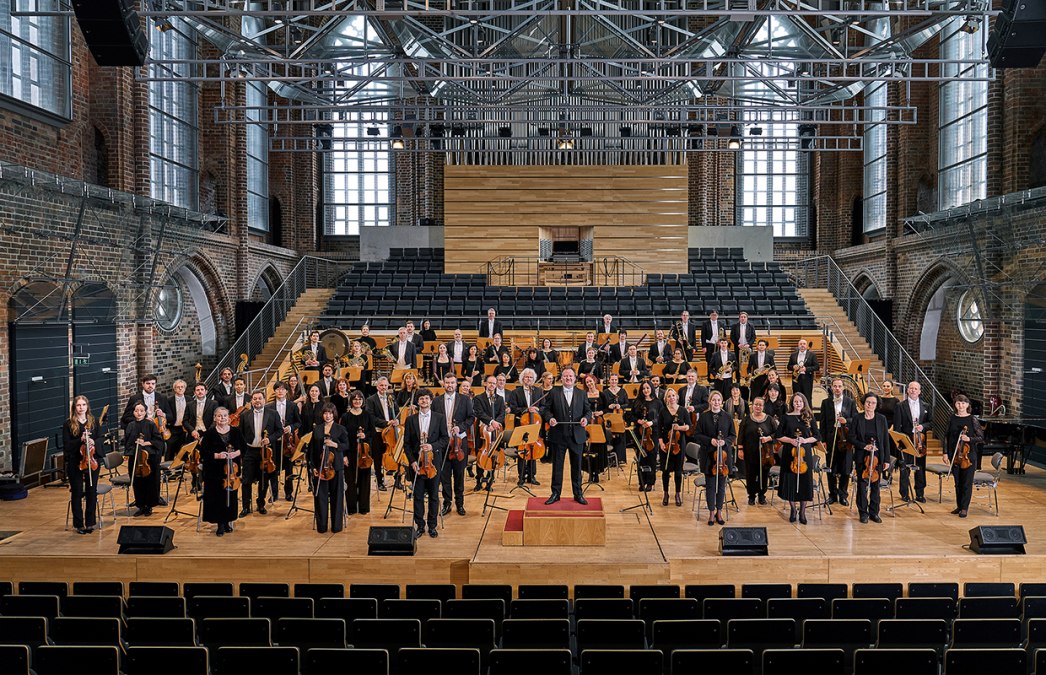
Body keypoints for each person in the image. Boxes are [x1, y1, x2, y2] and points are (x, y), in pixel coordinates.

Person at [542, 367, 592, 505]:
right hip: (558, 436)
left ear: (575, 378)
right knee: (557, 466)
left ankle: (578, 494)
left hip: (577, 436)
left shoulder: (582, 393)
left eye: (570, 376)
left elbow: (588, 411)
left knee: (577, 466)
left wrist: (586, 419)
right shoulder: (553, 392)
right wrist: (550, 419)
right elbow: (546, 410)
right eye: (565, 376)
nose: (568, 378)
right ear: (561, 378)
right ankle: (555, 494)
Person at [404, 391, 449, 538]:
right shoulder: (410, 420)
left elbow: (445, 439)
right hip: (417, 464)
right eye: (421, 398)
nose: (424, 401)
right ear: (418, 402)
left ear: (431, 401)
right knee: (417, 496)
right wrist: (412, 462)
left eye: (426, 398)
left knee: (434, 496)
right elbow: (407, 444)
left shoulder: (440, 418)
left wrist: (432, 446)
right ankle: (420, 526)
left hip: (433, 465)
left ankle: (432, 526)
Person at [775, 393, 820, 525]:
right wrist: (791, 440)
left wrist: (805, 440)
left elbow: (817, 436)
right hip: (790, 452)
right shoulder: (785, 417)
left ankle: (803, 512)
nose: (798, 403)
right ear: (792, 403)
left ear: (804, 402)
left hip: (804, 454)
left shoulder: (809, 417)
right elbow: (778, 435)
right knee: (791, 482)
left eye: (800, 401)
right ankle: (793, 510)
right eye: (795, 401)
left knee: (804, 482)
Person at [434, 374, 475, 516]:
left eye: (452, 382)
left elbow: (471, 418)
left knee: (459, 474)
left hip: (459, 442)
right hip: (444, 442)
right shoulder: (437, 400)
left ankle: (460, 503)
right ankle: (447, 502)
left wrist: (461, 428)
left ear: (456, 384)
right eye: (447, 383)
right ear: (443, 384)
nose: (450, 385)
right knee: (445, 475)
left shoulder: (464, 399)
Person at [200, 407, 243, 536]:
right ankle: (220, 524)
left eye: (224, 416)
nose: (222, 418)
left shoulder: (236, 432)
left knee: (230, 496)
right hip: (214, 471)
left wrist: (236, 453)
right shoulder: (209, 434)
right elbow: (203, 453)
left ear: (229, 417)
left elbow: (243, 447)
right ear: (215, 418)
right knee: (217, 497)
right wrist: (217, 455)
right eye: (219, 416)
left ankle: (228, 521)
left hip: (232, 472)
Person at [238, 391, 282, 516]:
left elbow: (279, 431)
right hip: (250, 451)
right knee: (246, 481)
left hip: (265, 453)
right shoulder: (245, 415)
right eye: (255, 399)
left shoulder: (273, 414)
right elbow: (240, 434)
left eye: (260, 398)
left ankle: (260, 504)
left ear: (264, 400)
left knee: (263, 479)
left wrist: (270, 439)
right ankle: (246, 507)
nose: (257, 401)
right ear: (251, 400)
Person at [695, 391, 736, 525]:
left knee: (721, 486)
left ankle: (719, 511)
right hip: (708, 456)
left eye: (718, 400)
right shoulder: (704, 416)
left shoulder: (727, 417)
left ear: (722, 401)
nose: (716, 402)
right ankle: (711, 513)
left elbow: (733, 435)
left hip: (723, 458)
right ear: (710, 402)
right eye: (714, 400)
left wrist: (725, 442)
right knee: (711, 486)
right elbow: (697, 435)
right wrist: (710, 441)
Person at [849, 392, 890, 524]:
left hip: (877, 457)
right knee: (862, 485)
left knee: (875, 486)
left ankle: (874, 512)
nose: (870, 405)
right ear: (864, 403)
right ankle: (863, 512)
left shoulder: (881, 419)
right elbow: (851, 437)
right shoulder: (857, 418)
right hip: (862, 456)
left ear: (876, 405)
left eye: (873, 403)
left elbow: (885, 441)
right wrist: (864, 446)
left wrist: (887, 460)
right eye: (868, 402)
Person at [63, 395, 102, 534]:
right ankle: (79, 524)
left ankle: (90, 522)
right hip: (76, 462)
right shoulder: (68, 424)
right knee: (77, 493)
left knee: (92, 492)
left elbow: (100, 439)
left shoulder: (94, 421)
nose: (81, 408)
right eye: (78, 405)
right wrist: (80, 440)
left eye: (83, 405)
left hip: (92, 460)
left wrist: (93, 442)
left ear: (87, 406)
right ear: (75, 407)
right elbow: (67, 446)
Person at [309, 403, 348, 534]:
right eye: (325, 413)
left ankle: (337, 526)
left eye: (330, 413)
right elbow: (312, 450)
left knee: (337, 497)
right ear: (322, 414)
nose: (328, 416)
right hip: (320, 468)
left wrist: (334, 444)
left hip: (336, 467)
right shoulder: (317, 429)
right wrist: (313, 467)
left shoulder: (340, 429)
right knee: (321, 497)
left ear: (334, 414)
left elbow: (346, 445)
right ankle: (322, 526)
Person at [943, 394, 984, 518]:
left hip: (968, 456)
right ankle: (959, 506)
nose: (960, 406)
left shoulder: (972, 420)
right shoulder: (952, 418)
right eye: (958, 403)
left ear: (967, 405)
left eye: (963, 403)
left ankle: (965, 508)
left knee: (966, 482)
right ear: (955, 405)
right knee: (957, 483)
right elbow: (946, 436)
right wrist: (945, 453)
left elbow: (981, 438)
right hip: (954, 455)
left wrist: (969, 438)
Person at [820, 378, 857, 506]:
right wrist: (823, 440)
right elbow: (823, 423)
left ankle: (843, 495)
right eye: (835, 386)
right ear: (831, 387)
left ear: (842, 388)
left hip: (845, 440)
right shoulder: (825, 402)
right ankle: (832, 495)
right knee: (831, 467)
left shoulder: (850, 402)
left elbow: (855, 419)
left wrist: (846, 421)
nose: (837, 388)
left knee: (845, 468)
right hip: (831, 439)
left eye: (839, 386)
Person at [124, 401, 165, 517]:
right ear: (133, 412)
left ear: (145, 412)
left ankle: (149, 506)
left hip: (149, 459)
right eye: (137, 411)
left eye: (141, 411)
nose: (139, 413)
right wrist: (133, 446)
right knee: (137, 483)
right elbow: (127, 443)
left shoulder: (150, 424)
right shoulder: (130, 426)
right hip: (135, 458)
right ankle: (140, 505)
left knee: (150, 482)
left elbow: (158, 441)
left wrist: (145, 443)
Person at [895, 381, 931, 503]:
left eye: (916, 389)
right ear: (907, 390)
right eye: (911, 388)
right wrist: (900, 442)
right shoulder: (900, 406)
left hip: (920, 442)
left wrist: (923, 427)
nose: (913, 390)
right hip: (907, 440)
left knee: (920, 468)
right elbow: (897, 427)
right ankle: (904, 493)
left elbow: (930, 423)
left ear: (919, 391)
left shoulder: (926, 406)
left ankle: (920, 493)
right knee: (905, 467)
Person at [507, 368, 543, 487]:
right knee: (522, 451)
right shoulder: (516, 392)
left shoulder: (538, 391)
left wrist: (537, 409)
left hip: (534, 425)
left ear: (534, 379)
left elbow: (544, 407)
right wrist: (525, 410)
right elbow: (513, 408)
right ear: (522, 379)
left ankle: (532, 476)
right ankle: (521, 477)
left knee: (533, 449)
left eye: (531, 377)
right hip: (521, 425)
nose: (528, 379)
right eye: (526, 377)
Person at [339, 390, 373, 516]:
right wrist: (344, 455)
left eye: (359, 399)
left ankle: (364, 506)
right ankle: (351, 507)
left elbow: (372, 433)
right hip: (350, 452)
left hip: (364, 453)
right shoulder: (345, 417)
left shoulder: (367, 415)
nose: (357, 401)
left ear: (363, 401)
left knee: (364, 480)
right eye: (355, 399)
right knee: (350, 480)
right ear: (351, 401)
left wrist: (365, 435)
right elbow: (342, 437)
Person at [268, 381, 302, 501]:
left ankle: (289, 492)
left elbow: (298, 422)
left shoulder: (292, 405)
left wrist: (291, 428)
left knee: (288, 467)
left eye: (282, 389)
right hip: (275, 441)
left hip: (288, 442)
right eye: (277, 389)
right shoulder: (269, 407)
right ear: (275, 391)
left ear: (286, 391)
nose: (280, 391)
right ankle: (274, 493)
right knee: (273, 467)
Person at [739, 397, 776, 505]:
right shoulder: (746, 419)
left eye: (760, 405)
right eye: (756, 404)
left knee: (764, 474)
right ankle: (751, 496)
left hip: (766, 453)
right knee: (750, 474)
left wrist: (768, 438)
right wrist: (740, 449)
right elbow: (740, 435)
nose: (758, 407)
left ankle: (761, 495)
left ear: (763, 407)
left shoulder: (769, 419)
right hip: (750, 452)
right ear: (752, 405)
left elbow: (777, 434)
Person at [364, 376, 399, 491]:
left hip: (391, 433)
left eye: (385, 385)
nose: (384, 387)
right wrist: (386, 423)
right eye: (381, 385)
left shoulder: (391, 397)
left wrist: (396, 420)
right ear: (377, 386)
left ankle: (397, 480)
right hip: (378, 433)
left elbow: (397, 411)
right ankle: (380, 481)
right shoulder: (371, 400)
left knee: (395, 455)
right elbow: (371, 417)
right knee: (378, 458)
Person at [472, 375, 505, 491]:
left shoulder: (500, 399)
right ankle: (479, 481)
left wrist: (496, 424)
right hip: (482, 430)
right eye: (490, 383)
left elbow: (502, 414)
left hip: (495, 431)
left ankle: (490, 481)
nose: (492, 385)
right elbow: (479, 413)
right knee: (481, 454)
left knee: (494, 456)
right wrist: (490, 422)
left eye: (494, 383)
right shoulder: (478, 398)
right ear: (485, 383)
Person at [658, 389, 690, 507]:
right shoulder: (663, 411)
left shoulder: (683, 410)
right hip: (666, 445)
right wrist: (661, 443)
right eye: (668, 396)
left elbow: (688, 426)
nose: (671, 398)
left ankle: (677, 494)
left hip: (679, 445)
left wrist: (679, 428)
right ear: (666, 399)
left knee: (678, 472)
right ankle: (666, 493)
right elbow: (659, 429)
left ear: (676, 397)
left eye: (673, 396)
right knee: (665, 471)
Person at [629, 381, 661, 492]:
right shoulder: (637, 402)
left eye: (647, 388)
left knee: (651, 458)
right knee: (641, 458)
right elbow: (631, 416)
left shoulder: (657, 402)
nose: (646, 390)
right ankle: (642, 482)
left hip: (653, 434)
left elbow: (661, 418)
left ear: (651, 388)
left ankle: (650, 483)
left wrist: (652, 423)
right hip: (639, 432)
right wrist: (638, 420)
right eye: (643, 388)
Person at [600, 373, 629, 464]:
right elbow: (603, 406)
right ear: (609, 381)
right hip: (609, 418)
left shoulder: (623, 391)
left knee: (620, 436)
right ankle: (609, 459)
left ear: (618, 381)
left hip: (619, 418)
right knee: (609, 436)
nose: (614, 381)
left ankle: (620, 459)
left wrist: (620, 406)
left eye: (615, 380)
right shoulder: (605, 392)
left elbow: (627, 404)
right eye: (612, 380)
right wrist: (609, 406)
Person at [787, 339, 818, 404]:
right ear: (798, 346)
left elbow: (817, 367)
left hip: (807, 379)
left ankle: (808, 413)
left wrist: (806, 369)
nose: (802, 345)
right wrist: (793, 367)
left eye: (804, 344)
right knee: (796, 396)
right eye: (800, 344)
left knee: (807, 397)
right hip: (796, 379)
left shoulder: (812, 355)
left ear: (806, 346)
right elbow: (788, 366)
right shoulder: (793, 355)